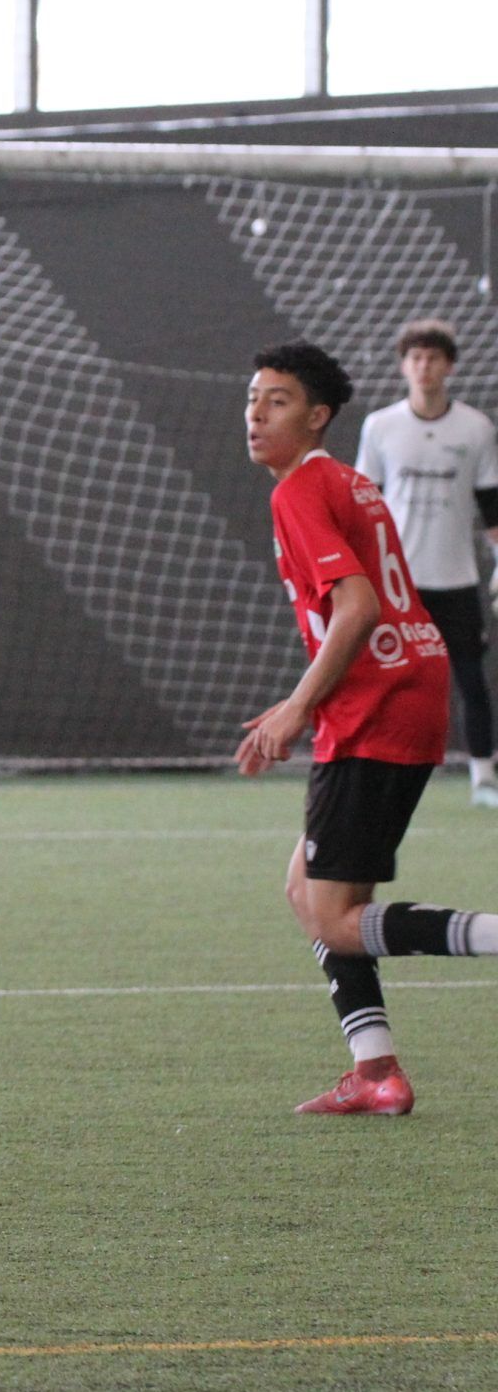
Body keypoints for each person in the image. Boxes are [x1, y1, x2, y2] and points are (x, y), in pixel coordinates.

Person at [236, 340, 498, 1117]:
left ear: (318, 416)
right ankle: (375, 1069)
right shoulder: (346, 479)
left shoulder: (301, 489)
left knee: (337, 921)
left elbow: (357, 606)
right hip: (407, 684)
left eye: (278, 400)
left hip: (375, 702)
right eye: (252, 397)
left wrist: (298, 705)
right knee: (306, 890)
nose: (256, 412)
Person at [354, 318, 498, 806]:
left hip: (456, 579)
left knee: (471, 680)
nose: (424, 367)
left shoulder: (476, 429)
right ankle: (374, 770)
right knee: (382, 679)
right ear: (403, 366)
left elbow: (492, 508)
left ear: (449, 366)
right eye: (415, 358)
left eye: (433, 358)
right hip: (398, 585)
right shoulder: (381, 427)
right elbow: (366, 503)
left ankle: (483, 778)